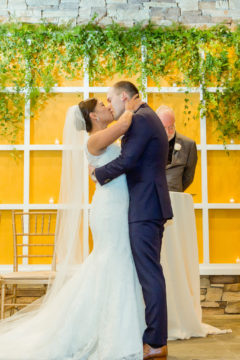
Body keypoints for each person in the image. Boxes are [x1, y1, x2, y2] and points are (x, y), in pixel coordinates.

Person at [0, 95, 147, 359]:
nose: (107, 107)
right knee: (114, 261)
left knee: (115, 263)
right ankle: (108, 332)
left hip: (117, 207)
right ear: (93, 116)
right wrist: (131, 106)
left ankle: (116, 326)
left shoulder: (104, 140)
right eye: (102, 106)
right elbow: (124, 124)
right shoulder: (93, 140)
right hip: (109, 211)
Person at [91, 81, 173, 360]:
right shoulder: (148, 117)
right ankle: (154, 338)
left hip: (145, 207)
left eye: (110, 99)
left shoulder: (140, 119)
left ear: (123, 96)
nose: (109, 105)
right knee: (151, 274)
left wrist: (97, 174)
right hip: (149, 204)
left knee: (150, 276)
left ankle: (156, 342)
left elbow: (127, 160)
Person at [156, 105, 198, 192]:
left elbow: (188, 177)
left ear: (174, 123)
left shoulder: (189, 145)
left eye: (171, 127)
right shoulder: (145, 143)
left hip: (175, 198)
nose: (167, 133)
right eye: (163, 128)